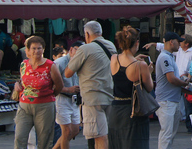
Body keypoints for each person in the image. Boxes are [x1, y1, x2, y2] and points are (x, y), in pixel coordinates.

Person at [65, 21, 117, 149]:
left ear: (87, 34)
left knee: (100, 136)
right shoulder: (111, 46)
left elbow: (68, 73)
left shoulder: (85, 49)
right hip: (109, 95)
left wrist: (73, 56)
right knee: (104, 133)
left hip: (93, 98)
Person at [14, 35, 64, 149]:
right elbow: (23, 81)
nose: (36, 51)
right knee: (19, 136)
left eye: (39, 48)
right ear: (28, 50)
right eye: (34, 48)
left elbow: (59, 85)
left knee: (44, 139)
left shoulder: (50, 66)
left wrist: (50, 95)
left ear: (43, 49)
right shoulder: (24, 64)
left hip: (44, 106)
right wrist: (17, 85)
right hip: (24, 105)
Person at [108, 26, 154, 149]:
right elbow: (149, 87)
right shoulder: (140, 65)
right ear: (137, 43)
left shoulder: (114, 59)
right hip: (133, 111)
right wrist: (148, 72)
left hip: (115, 110)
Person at [154, 32, 192, 149]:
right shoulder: (165, 57)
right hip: (166, 101)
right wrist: (184, 83)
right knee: (166, 133)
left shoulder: (170, 56)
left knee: (170, 134)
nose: (179, 45)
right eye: (178, 41)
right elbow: (171, 79)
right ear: (171, 42)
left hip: (172, 100)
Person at [52, 41, 82, 149]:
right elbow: (52, 85)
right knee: (66, 131)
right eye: (77, 50)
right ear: (71, 50)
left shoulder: (80, 62)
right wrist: (68, 89)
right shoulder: (60, 63)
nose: (79, 54)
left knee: (74, 130)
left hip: (74, 100)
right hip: (62, 98)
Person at [176, 34, 192, 132]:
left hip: (185, 78)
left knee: (187, 101)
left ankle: (190, 124)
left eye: (182, 41)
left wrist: (188, 74)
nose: (180, 42)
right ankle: (181, 117)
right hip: (177, 77)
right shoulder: (179, 50)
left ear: (187, 44)